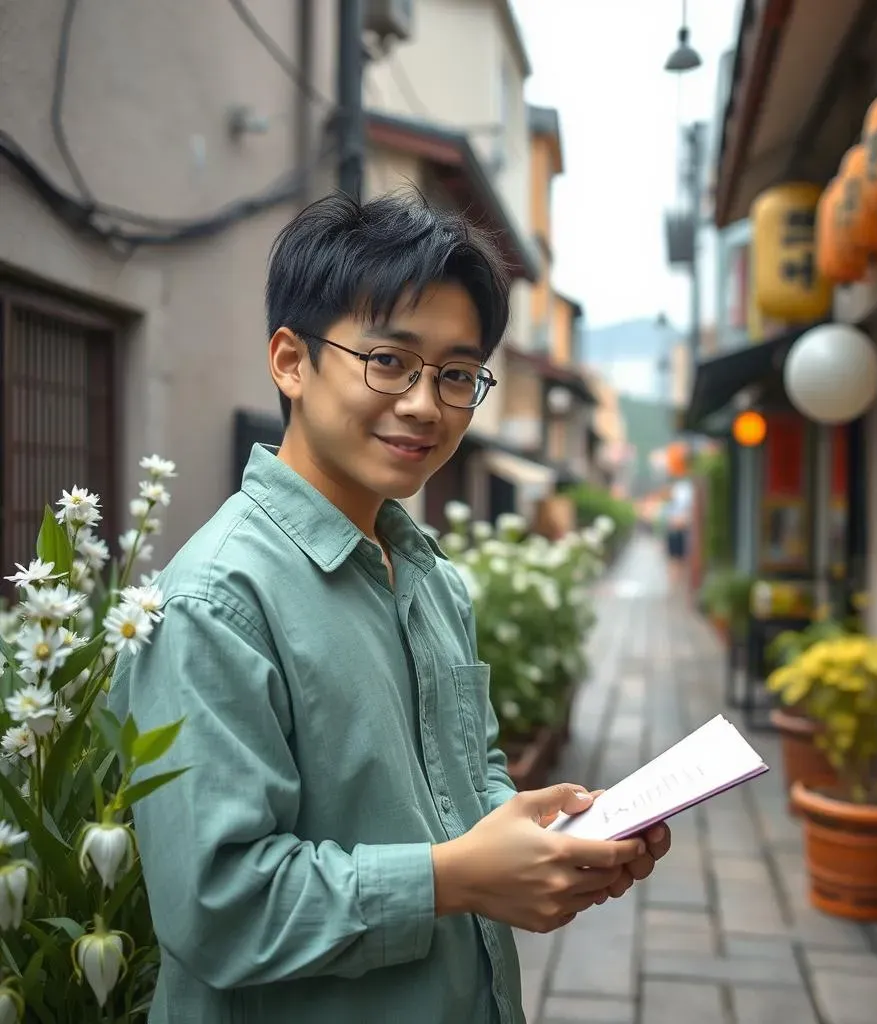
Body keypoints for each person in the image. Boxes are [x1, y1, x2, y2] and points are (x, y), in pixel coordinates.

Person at [109, 190, 672, 1024]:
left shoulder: (427, 573)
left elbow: (465, 770)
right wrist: (458, 878)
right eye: (389, 362)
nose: (425, 403)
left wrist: (545, 842)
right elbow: (216, 908)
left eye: (455, 374)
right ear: (291, 361)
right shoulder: (214, 603)